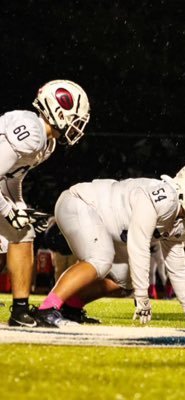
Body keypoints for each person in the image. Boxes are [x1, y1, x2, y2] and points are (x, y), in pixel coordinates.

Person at [33, 162, 185, 329]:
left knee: (127, 280)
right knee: (100, 259)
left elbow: (178, 267)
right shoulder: (164, 198)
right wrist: (142, 297)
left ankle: (71, 307)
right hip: (80, 202)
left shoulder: (183, 222)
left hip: (104, 225)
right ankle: (47, 309)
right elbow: (138, 244)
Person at [0, 80, 90, 327]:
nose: (78, 124)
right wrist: (7, 209)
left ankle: (19, 311)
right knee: (16, 233)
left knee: (22, 232)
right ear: (57, 109)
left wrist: (19, 205)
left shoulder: (46, 143)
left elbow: (11, 178)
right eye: (76, 116)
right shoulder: (31, 131)